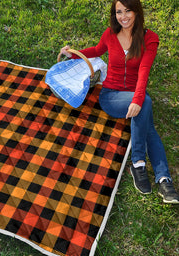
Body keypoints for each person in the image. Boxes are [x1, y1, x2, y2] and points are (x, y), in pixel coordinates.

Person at [60, 0, 179, 204]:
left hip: (134, 93)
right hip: (111, 95)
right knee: (146, 107)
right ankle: (143, 165)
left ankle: (161, 177)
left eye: (128, 11)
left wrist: (138, 99)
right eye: (119, 12)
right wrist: (73, 55)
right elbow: (97, 50)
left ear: (137, 11)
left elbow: (144, 71)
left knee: (146, 117)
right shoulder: (110, 34)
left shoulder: (150, 39)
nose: (123, 16)